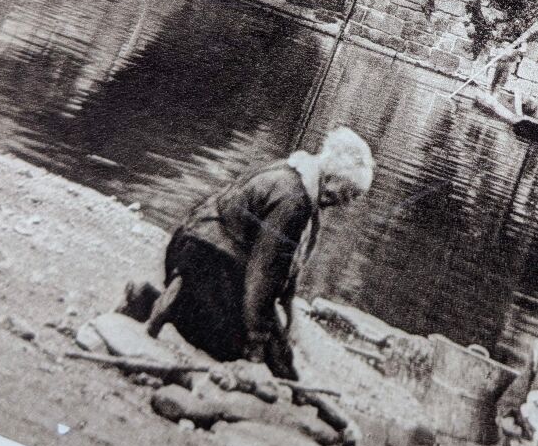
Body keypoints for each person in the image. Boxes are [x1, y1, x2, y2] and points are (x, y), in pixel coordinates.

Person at [119, 127, 374, 374]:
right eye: (348, 192)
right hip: (205, 259)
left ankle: (173, 295)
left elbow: (282, 265)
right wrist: (257, 340)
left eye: (353, 196)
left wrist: (287, 308)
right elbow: (264, 272)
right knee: (232, 348)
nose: (346, 202)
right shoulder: (293, 201)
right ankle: (159, 300)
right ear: (330, 177)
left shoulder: (292, 171)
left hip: (191, 246)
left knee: (271, 347)